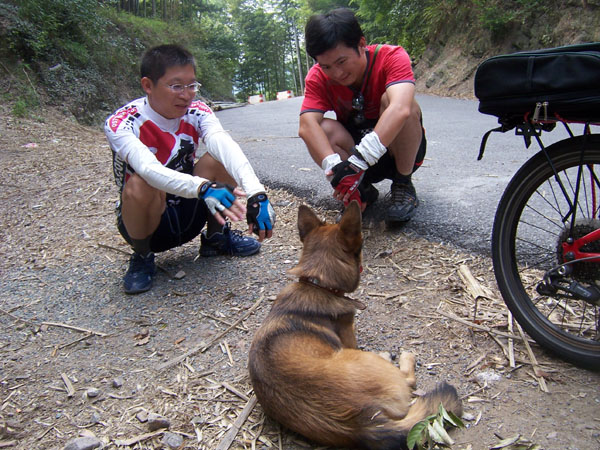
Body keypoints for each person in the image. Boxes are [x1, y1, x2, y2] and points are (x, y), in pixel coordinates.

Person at [105, 44, 275, 294]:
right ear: (148, 85)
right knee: (140, 182)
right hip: (149, 222)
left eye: (192, 85)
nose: (186, 95)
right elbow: (148, 168)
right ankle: (142, 256)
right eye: (176, 86)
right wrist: (203, 187)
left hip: (189, 209)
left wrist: (256, 192)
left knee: (218, 157)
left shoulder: (197, 110)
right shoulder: (123, 122)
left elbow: (222, 143)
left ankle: (215, 238)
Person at [298, 8, 426, 224]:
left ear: (361, 44)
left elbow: (401, 108)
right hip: (356, 162)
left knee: (401, 104)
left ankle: (403, 184)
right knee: (322, 127)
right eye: (326, 66)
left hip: (399, 154)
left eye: (341, 62)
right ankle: (361, 190)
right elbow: (306, 126)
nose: (336, 74)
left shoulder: (391, 57)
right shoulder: (318, 77)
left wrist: (360, 159)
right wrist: (335, 169)